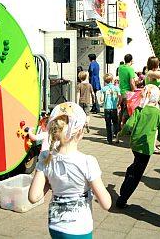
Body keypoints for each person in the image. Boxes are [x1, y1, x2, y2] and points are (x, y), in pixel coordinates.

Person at [28, 102, 111, 238]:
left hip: (55, 225)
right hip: (79, 228)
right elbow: (106, 204)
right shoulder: (87, 162)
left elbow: (33, 197)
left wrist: (49, 184)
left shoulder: (44, 157)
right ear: (80, 131)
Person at [115, 84, 160, 208]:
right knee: (136, 175)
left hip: (135, 144)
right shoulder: (158, 113)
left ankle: (125, 185)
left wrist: (120, 133)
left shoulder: (139, 110)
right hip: (146, 148)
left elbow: (128, 125)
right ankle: (122, 200)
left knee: (134, 166)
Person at [100, 73, 121, 144]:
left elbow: (101, 99)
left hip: (107, 108)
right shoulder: (116, 88)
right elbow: (119, 96)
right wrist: (118, 103)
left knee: (108, 124)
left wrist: (104, 96)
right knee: (115, 123)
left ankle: (109, 139)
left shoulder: (104, 88)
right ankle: (117, 137)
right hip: (114, 107)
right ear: (112, 80)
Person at [118, 54, 136, 127]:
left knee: (121, 110)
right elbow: (132, 82)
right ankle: (125, 127)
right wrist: (134, 90)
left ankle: (118, 125)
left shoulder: (120, 68)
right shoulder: (130, 69)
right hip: (128, 92)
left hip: (121, 91)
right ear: (131, 60)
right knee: (127, 111)